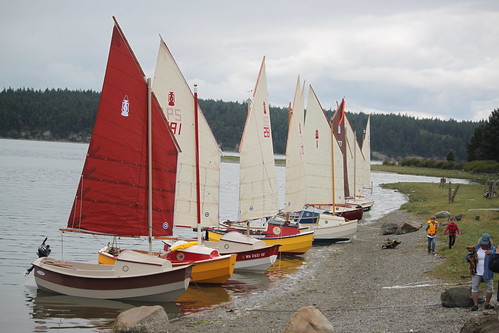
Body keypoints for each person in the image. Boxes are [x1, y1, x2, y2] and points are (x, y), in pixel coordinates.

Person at [466, 233, 496, 311]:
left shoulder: (493, 249)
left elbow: (497, 257)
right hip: (476, 272)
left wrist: (491, 253)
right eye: (483, 243)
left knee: (489, 288)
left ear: (489, 242)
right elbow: (467, 256)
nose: (484, 245)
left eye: (486, 243)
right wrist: (470, 257)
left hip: (488, 272)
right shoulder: (475, 248)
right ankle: (475, 305)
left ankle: (487, 303)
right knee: (475, 287)